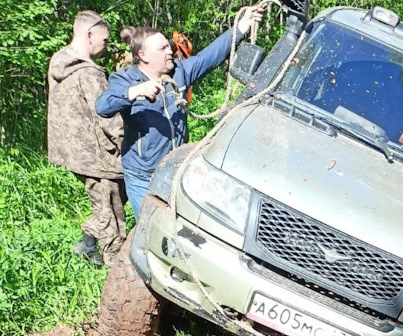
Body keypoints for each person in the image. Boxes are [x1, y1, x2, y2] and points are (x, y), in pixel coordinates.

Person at [95, 3, 267, 219]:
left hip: (175, 168)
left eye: (168, 46)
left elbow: (210, 56)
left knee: (176, 223)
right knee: (150, 227)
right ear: (143, 55)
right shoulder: (125, 80)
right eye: (163, 49)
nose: (170, 51)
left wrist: (242, 26)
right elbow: (102, 106)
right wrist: (135, 92)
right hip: (142, 175)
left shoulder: (179, 72)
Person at [47, 10, 126, 267]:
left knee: (106, 202)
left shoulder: (58, 61)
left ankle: (86, 244)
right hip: (99, 155)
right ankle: (113, 268)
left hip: (73, 152)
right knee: (111, 211)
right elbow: (108, 117)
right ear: (89, 34)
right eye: (103, 40)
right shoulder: (90, 73)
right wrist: (125, 145)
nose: (105, 46)